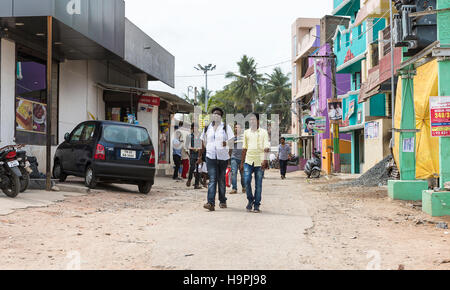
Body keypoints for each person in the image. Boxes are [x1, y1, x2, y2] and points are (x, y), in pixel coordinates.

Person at [199, 107, 234, 212]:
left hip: (223, 157)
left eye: (218, 114)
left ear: (221, 116)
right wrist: (200, 156)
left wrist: (228, 149)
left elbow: (232, 141)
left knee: (221, 180)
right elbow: (202, 142)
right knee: (213, 179)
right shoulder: (207, 128)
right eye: (214, 114)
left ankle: (222, 200)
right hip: (210, 157)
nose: (216, 116)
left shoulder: (226, 128)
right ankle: (210, 203)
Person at [240, 113, 270, 213]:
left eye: (254, 119)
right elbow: (244, 148)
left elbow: (266, 147)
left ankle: (256, 205)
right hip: (248, 160)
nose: (252, 121)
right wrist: (241, 162)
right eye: (250, 120)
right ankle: (250, 200)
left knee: (259, 184)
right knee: (247, 181)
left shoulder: (264, 132)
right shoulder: (246, 132)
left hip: (260, 161)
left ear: (258, 121)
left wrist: (265, 160)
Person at [230, 123, 246, 194]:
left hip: (242, 158)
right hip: (234, 157)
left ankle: (244, 187)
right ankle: (234, 188)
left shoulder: (244, 137)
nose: (236, 129)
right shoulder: (232, 137)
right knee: (234, 173)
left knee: (243, 174)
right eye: (235, 127)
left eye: (238, 127)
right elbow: (230, 149)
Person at [185, 123, 202, 189]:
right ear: (192, 129)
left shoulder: (201, 136)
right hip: (192, 154)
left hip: (199, 154)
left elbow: (203, 144)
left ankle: (197, 184)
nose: (195, 129)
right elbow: (186, 146)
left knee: (198, 169)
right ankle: (189, 179)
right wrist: (192, 148)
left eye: (196, 128)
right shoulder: (189, 136)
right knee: (192, 167)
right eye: (194, 128)